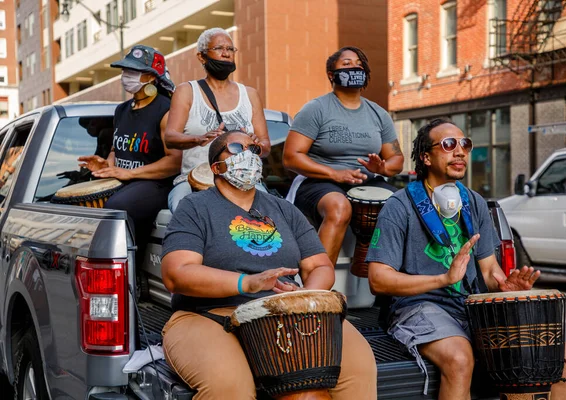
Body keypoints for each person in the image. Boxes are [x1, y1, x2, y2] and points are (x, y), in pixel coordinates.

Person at [366, 118, 566, 400]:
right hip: (416, 307)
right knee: (459, 358)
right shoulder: (399, 206)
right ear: (426, 157)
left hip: (469, 308)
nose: (460, 152)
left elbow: (489, 270)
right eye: (449, 144)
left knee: (564, 355)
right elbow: (378, 280)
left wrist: (504, 285)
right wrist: (443, 279)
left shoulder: (474, 202)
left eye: (465, 144)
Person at [161, 130, 377, 400]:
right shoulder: (195, 207)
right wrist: (247, 282)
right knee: (229, 388)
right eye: (238, 147)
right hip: (208, 315)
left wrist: (305, 297)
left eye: (254, 149)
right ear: (216, 166)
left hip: (284, 312)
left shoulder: (284, 209)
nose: (249, 154)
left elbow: (320, 266)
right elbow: (177, 273)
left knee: (356, 371)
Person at [282, 46, 404, 266]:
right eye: (346, 64)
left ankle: (390, 289)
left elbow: (397, 160)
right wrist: (334, 173)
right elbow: (291, 157)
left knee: (403, 207)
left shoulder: (378, 113)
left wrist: (382, 169)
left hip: (368, 181)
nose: (354, 67)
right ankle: (319, 287)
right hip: (319, 181)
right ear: (331, 74)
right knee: (339, 206)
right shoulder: (316, 109)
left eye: (359, 63)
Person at [78, 45, 182, 262]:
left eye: (133, 71)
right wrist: (106, 165)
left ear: (152, 77)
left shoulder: (167, 110)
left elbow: (174, 161)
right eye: (125, 71)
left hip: (156, 184)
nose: (126, 76)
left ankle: (131, 272)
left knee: (118, 207)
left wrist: (130, 174)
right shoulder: (122, 110)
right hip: (128, 182)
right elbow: (117, 149)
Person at [164, 27, 270, 212]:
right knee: (182, 214)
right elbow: (170, 137)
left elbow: (266, 146)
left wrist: (254, 145)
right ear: (201, 57)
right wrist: (198, 139)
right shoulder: (187, 91)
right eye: (219, 48)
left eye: (230, 49)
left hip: (244, 179)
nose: (226, 54)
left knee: (270, 216)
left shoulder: (250, 94)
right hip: (194, 178)